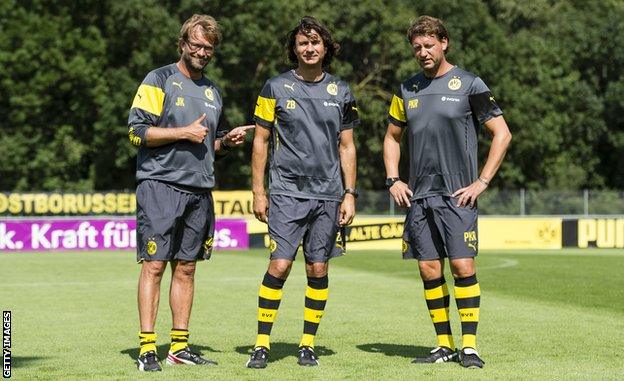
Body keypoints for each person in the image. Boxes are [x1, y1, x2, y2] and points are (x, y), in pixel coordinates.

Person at [383, 15, 512, 369]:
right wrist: (393, 179)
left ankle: (468, 346)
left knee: (461, 264)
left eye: (429, 45)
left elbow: (502, 134)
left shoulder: (469, 84)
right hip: (419, 197)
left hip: (458, 195)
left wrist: (482, 182)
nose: (423, 52)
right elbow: (392, 136)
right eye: (417, 47)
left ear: (444, 44)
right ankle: (443, 344)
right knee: (428, 268)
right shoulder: (406, 89)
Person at [128, 14, 253, 372]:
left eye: (208, 48)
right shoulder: (159, 78)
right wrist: (182, 132)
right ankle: (147, 348)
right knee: (154, 266)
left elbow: (206, 144)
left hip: (200, 190)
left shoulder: (213, 91)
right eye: (195, 45)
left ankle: (179, 348)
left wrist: (224, 143)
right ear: (183, 44)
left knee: (186, 268)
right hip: (160, 186)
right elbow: (137, 132)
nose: (201, 52)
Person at [245, 16, 359, 369]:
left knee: (318, 267)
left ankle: (307, 344)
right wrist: (258, 191)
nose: (309, 49)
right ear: (294, 50)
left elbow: (347, 147)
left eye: (315, 43)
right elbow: (261, 140)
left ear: (326, 48)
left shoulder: (340, 91)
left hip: (328, 194)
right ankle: (261, 344)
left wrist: (349, 193)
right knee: (279, 265)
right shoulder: (274, 87)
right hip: (286, 193)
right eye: (302, 44)